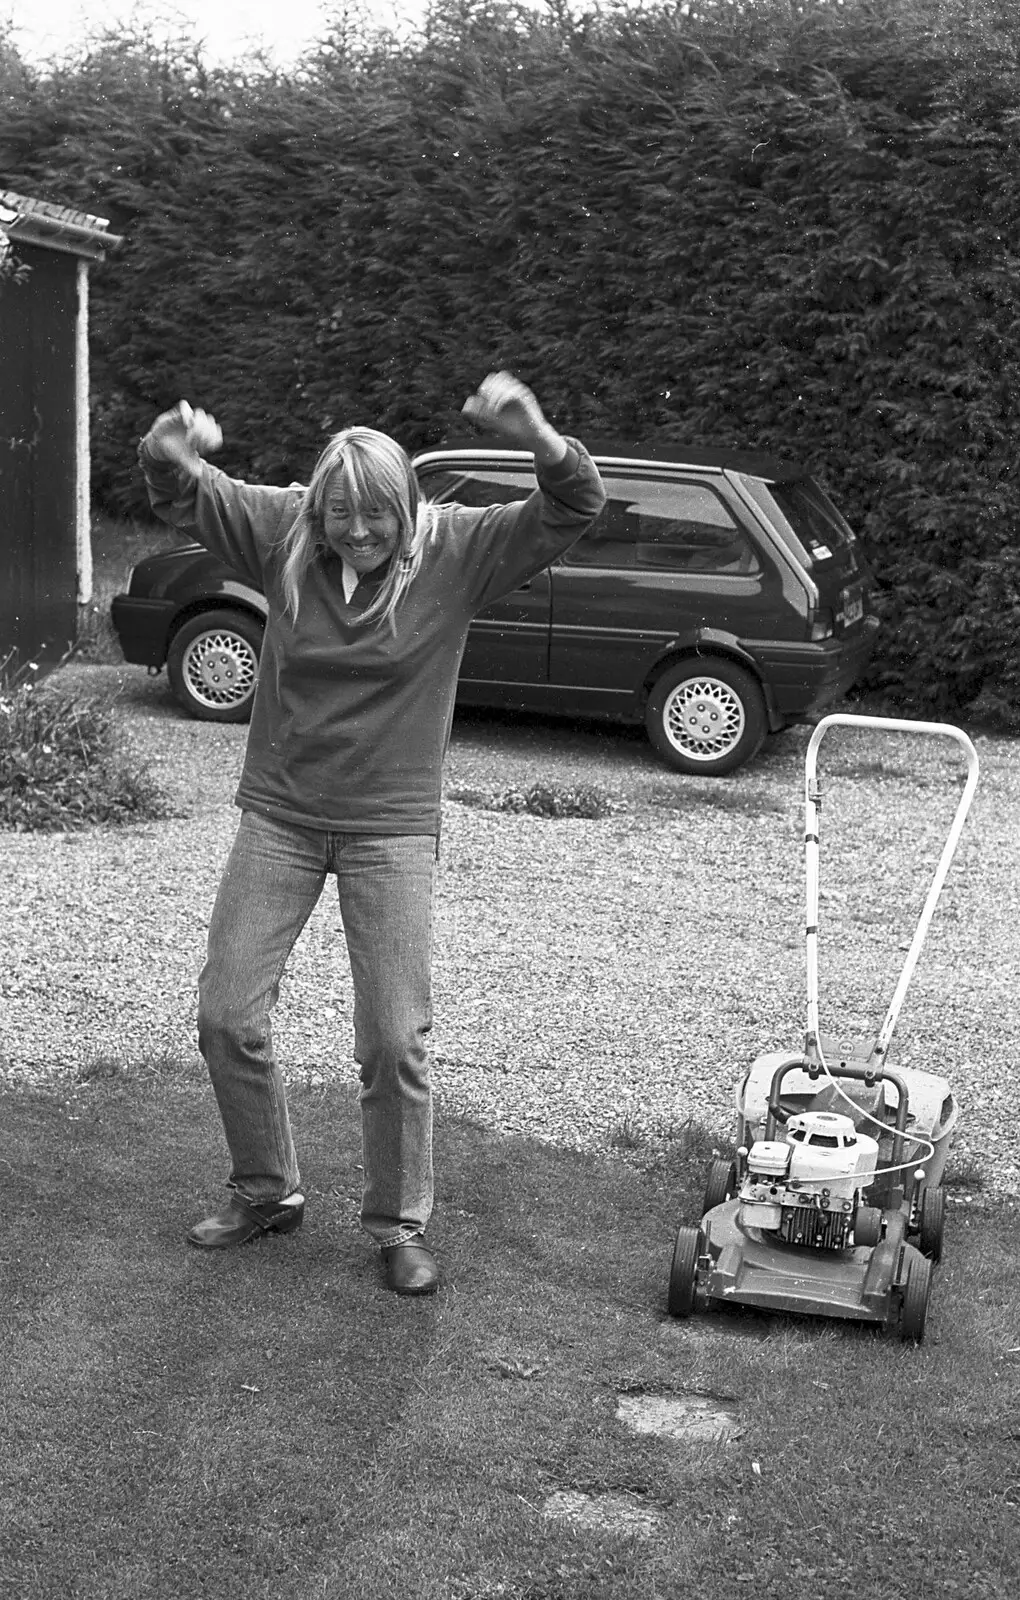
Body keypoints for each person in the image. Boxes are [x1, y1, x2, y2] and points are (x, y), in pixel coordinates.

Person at [138, 372, 606, 1295]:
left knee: (393, 1039)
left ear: (408, 510)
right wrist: (168, 447)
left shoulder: (459, 551)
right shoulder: (285, 530)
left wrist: (538, 434)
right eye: (340, 514)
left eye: (375, 517)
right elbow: (185, 491)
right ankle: (267, 1189)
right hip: (280, 814)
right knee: (227, 1014)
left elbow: (573, 503)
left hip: (389, 829)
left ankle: (397, 1222)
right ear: (318, 507)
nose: (356, 531)